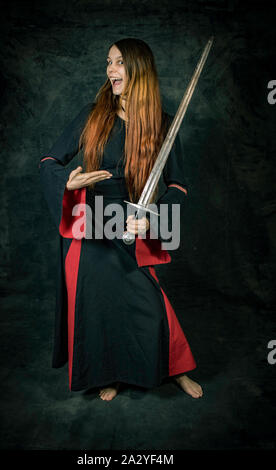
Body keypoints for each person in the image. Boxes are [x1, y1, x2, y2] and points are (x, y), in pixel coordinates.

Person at [39, 38, 203, 401]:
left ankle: (174, 369)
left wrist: (154, 218)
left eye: (119, 63)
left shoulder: (162, 123)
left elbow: (178, 184)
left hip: (132, 221)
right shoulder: (92, 113)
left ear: (139, 69)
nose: (111, 69)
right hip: (89, 220)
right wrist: (69, 181)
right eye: (109, 62)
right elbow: (49, 162)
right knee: (97, 302)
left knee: (148, 300)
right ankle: (107, 373)